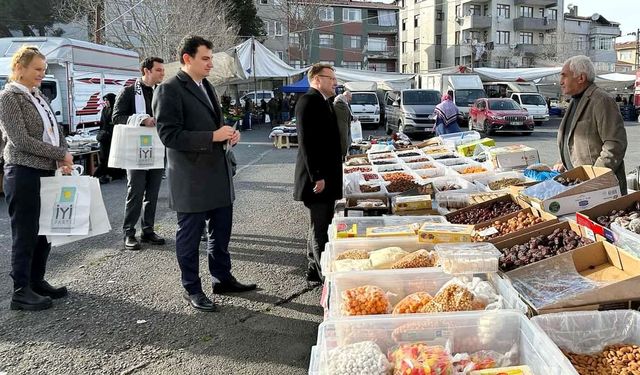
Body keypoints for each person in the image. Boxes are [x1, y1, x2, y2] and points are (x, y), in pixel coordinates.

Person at [154, 35, 256, 313]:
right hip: (191, 179)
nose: (211, 63)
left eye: (211, 57)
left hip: (217, 174)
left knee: (220, 232)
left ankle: (222, 277)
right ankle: (192, 288)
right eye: (205, 58)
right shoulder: (169, 89)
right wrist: (212, 136)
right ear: (187, 59)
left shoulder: (207, 85)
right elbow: (169, 135)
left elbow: (214, 126)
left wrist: (227, 136)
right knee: (189, 236)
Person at [0, 46, 74, 310]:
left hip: (45, 169)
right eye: (37, 70)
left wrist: (62, 155)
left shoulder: (37, 94)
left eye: (44, 69)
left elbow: (54, 129)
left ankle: (37, 280)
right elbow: (20, 140)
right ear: (19, 68)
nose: (42, 74)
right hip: (23, 171)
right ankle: (20, 291)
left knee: (44, 230)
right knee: (26, 232)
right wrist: (59, 153)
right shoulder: (8, 98)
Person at [293, 63, 342, 282]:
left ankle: (313, 268)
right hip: (317, 178)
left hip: (327, 176)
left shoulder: (325, 101)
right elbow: (307, 143)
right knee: (321, 229)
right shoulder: (308, 102)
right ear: (316, 80)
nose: (335, 82)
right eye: (330, 78)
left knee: (320, 223)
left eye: (334, 78)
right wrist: (317, 176)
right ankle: (326, 278)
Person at [112, 57, 166, 250]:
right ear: (146, 71)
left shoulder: (161, 91)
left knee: (152, 192)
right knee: (135, 191)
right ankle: (129, 232)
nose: (162, 73)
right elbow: (116, 117)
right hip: (135, 149)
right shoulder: (128, 91)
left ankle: (148, 230)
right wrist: (142, 120)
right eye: (159, 70)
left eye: (163, 70)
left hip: (157, 147)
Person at [555, 55, 628, 195]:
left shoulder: (601, 100)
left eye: (564, 76)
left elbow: (615, 145)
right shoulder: (575, 101)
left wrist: (594, 177)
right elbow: (572, 140)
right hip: (578, 184)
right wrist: (562, 161)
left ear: (581, 78)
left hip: (599, 188)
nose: (561, 82)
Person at [95, 93, 116, 184]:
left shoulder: (115, 110)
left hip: (112, 137)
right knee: (103, 157)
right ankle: (102, 175)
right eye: (105, 101)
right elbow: (102, 123)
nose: (106, 102)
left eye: (107, 101)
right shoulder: (105, 110)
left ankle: (106, 175)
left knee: (109, 157)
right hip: (104, 137)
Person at [333, 90, 353, 157]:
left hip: (340, 128)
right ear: (346, 96)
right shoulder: (342, 105)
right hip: (343, 129)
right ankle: (343, 156)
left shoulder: (337, 104)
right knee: (344, 143)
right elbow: (346, 118)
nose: (350, 100)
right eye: (350, 98)